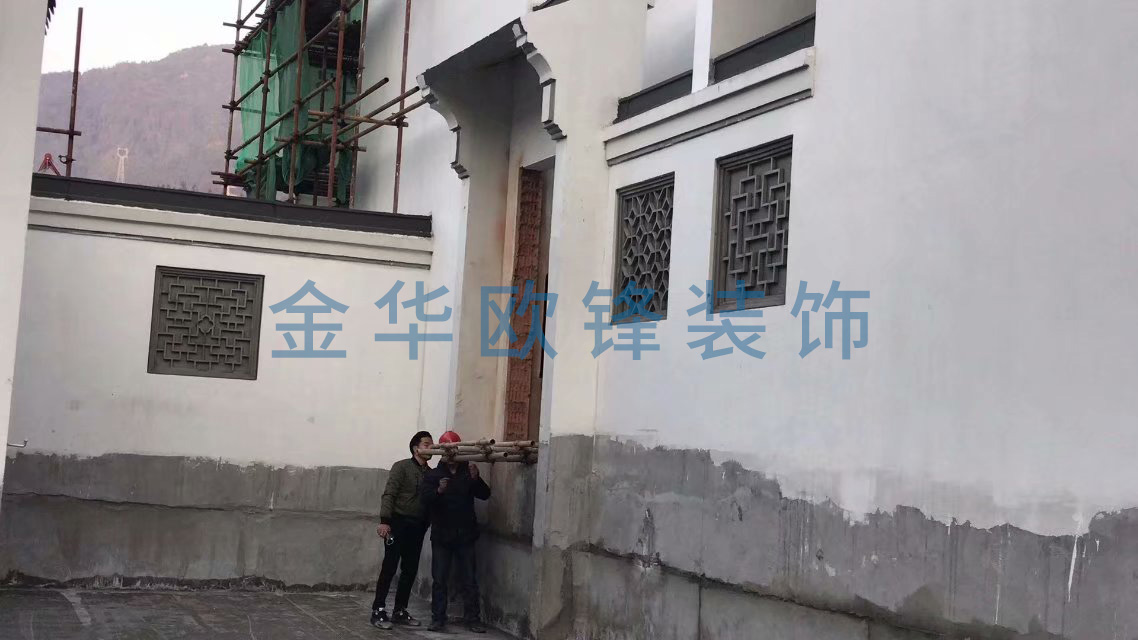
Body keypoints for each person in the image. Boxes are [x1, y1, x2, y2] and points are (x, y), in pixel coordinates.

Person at [420, 430, 490, 633]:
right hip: (442, 535)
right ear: (442, 452)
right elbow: (424, 499)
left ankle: (473, 619)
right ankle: (438, 619)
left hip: (465, 535)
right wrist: (438, 491)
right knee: (439, 580)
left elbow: (485, 494)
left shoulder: (468, 471)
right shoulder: (433, 474)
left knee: (469, 579)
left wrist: (476, 479)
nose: (451, 456)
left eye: (454, 450)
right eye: (447, 451)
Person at [370, 430, 434, 629]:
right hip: (398, 523)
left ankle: (400, 610)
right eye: (427, 444)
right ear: (416, 448)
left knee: (410, 569)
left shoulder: (431, 474)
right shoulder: (402, 467)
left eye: (432, 445)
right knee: (390, 567)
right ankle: (378, 610)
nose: (431, 448)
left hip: (418, 526)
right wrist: (384, 521)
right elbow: (389, 493)